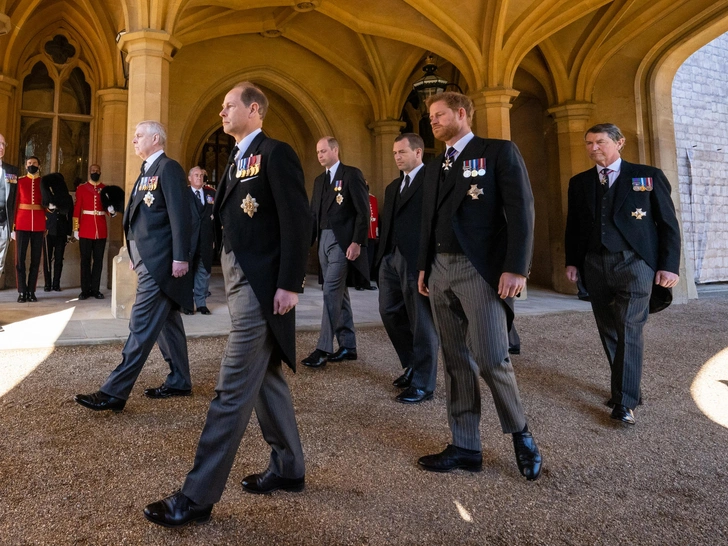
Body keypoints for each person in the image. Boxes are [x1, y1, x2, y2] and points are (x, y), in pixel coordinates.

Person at [144, 82, 310, 528]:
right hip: (239, 281)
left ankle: (195, 498)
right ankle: (290, 467)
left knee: (232, 387)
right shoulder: (237, 159)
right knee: (266, 376)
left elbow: (298, 219)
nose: (221, 112)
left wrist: (290, 282)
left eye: (228, 105)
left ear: (254, 110)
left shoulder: (276, 153)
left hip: (262, 287)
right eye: (220, 106)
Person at [417, 91, 542, 481]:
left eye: (439, 115)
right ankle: (466, 445)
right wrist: (423, 267)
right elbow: (428, 220)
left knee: (491, 358)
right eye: (431, 117)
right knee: (455, 361)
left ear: (461, 113)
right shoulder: (436, 165)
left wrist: (516, 267)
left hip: (480, 270)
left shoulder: (498, 151)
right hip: (439, 270)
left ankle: (521, 434)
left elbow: (521, 210)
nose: (433, 121)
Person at [564, 123, 681, 426]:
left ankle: (624, 401)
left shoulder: (648, 176)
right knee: (609, 329)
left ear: (620, 143)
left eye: (600, 142)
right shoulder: (579, 183)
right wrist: (573, 261)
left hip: (635, 264)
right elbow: (574, 228)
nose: (593, 148)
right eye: (588, 143)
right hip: (594, 264)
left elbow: (667, 224)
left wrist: (669, 265)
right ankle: (627, 388)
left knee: (629, 328)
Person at [74, 121, 193, 412]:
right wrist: (134, 254)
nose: (133, 141)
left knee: (140, 323)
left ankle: (114, 391)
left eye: (138, 136)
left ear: (156, 139)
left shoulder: (168, 168)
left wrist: (180, 257)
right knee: (167, 323)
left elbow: (181, 216)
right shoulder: (146, 171)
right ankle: (180, 380)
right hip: (147, 260)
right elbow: (141, 218)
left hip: (162, 262)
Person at [375, 133, 438, 403]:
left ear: (418, 153)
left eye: (402, 152)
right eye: (395, 153)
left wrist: (428, 262)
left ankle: (424, 384)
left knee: (422, 322)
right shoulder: (392, 187)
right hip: (390, 259)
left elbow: (434, 225)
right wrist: (380, 260)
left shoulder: (432, 182)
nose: (397, 157)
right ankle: (412, 365)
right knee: (389, 312)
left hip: (417, 260)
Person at [303, 136, 370, 368]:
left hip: (343, 242)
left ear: (335, 150)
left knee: (330, 291)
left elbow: (364, 212)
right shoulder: (319, 180)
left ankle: (323, 348)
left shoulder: (351, 174)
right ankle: (348, 346)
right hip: (323, 240)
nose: (320, 155)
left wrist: (357, 242)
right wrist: (306, 245)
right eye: (318, 152)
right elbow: (313, 215)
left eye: (323, 151)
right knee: (339, 294)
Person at [73, 165, 115, 299]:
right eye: (92, 171)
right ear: (89, 172)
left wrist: (112, 211)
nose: (95, 173)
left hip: (100, 230)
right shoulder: (82, 188)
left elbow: (108, 210)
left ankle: (95, 289)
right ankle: (85, 290)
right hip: (85, 228)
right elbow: (77, 209)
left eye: (97, 171)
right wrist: (75, 228)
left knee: (98, 261)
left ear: (100, 172)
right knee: (85, 261)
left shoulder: (105, 189)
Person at [13, 156, 45, 303]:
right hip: (21, 223)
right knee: (20, 259)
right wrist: (13, 226)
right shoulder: (20, 181)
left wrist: (49, 209)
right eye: (29, 163)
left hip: (38, 223)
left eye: (34, 163)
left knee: (35, 259)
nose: (32, 165)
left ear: (39, 165)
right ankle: (22, 291)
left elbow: (47, 203)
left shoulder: (43, 183)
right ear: (25, 166)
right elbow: (14, 203)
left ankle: (31, 291)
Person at [185, 165, 216, 315]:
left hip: (205, 240)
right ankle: (187, 304)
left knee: (203, 272)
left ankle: (201, 303)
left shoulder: (211, 193)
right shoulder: (183, 194)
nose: (199, 177)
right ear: (190, 178)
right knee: (187, 272)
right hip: (188, 240)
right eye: (196, 175)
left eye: (201, 175)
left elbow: (217, 219)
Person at [41, 173, 73, 292]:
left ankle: (56, 283)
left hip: (61, 231)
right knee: (47, 259)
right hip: (48, 230)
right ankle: (47, 283)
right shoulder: (46, 197)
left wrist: (69, 232)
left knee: (59, 259)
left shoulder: (67, 197)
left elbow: (70, 215)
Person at [0, 133, 18, 332]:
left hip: (3, 227)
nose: (1, 148)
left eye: (3, 144)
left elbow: (13, 203)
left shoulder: (11, 171)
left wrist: (12, 228)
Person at [356, 181, 379, 290]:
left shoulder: (372, 199)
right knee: (360, 260)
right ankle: (359, 282)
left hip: (371, 234)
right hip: (360, 235)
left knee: (369, 259)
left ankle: (366, 281)